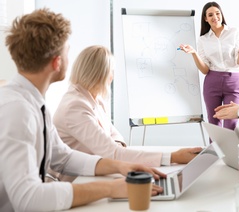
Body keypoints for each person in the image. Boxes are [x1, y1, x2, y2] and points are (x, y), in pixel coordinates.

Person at [0, 8, 166, 211]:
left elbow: (63, 157)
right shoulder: (18, 111)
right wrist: (110, 189)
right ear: (57, 62)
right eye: (67, 52)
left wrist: (120, 166)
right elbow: (28, 199)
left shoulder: (33, 102)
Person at [53, 45, 202, 171]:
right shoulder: (75, 106)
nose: (112, 76)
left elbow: (115, 136)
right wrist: (174, 156)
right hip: (75, 179)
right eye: (111, 71)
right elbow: (112, 153)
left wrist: (114, 149)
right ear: (99, 75)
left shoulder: (95, 98)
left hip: (96, 170)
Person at [179, 1, 239, 130]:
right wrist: (194, 53)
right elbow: (205, 70)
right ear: (206, 19)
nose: (215, 17)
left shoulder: (234, 32)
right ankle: (215, 150)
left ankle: (229, 151)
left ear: (222, 15)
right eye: (211, 15)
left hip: (233, 81)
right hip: (212, 81)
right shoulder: (203, 39)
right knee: (214, 123)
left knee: (231, 124)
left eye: (218, 13)